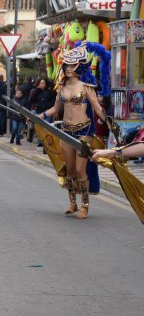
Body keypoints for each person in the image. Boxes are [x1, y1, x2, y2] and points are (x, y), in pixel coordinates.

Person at [39, 43, 109, 220]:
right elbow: (55, 110)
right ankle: (72, 203)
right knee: (70, 171)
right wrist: (38, 115)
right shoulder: (61, 87)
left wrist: (108, 122)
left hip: (83, 131)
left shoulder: (86, 87)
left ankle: (85, 205)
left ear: (80, 66)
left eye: (72, 65)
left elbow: (97, 108)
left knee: (80, 170)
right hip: (66, 131)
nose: (69, 69)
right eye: (67, 65)